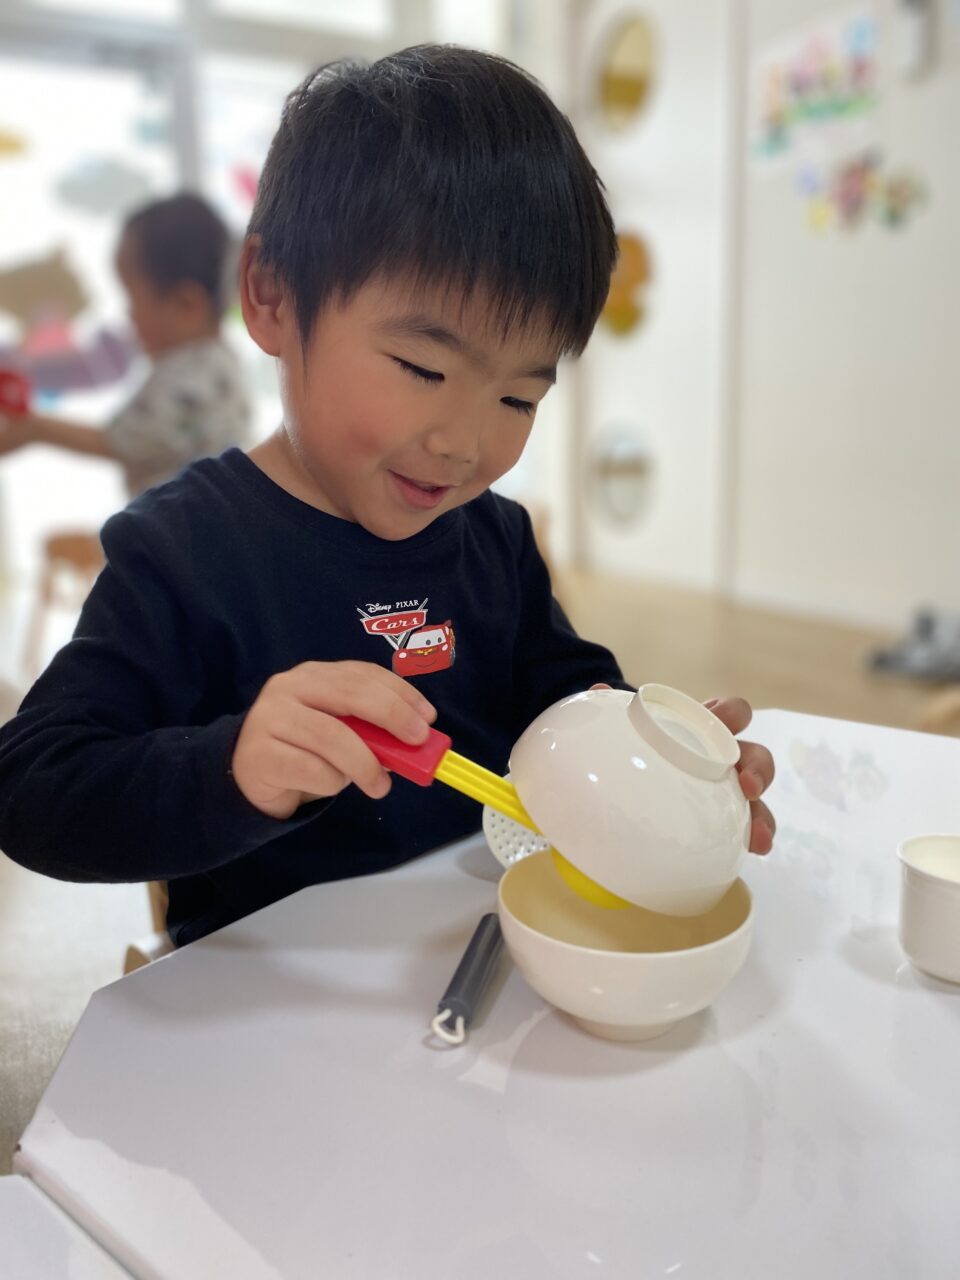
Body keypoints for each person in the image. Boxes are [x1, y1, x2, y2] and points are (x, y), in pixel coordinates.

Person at [0, 47, 775, 947]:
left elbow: (566, 693)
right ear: (271, 296)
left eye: (518, 399)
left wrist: (654, 757)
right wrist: (233, 768)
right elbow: (33, 788)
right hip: (275, 984)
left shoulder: (493, 539)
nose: (464, 443)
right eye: (422, 368)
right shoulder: (183, 552)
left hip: (486, 948)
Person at [0, 193, 251, 496]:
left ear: (186, 305)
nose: (129, 316)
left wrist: (37, 429)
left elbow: (118, 442)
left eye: (133, 300)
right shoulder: (218, 363)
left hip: (180, 524)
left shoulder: (193, 375)